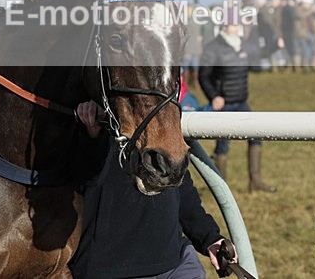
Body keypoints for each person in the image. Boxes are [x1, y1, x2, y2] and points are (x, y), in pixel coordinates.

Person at [70, 101, 237, 279]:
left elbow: (180, 187)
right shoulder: (81, 112)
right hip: (109, 267)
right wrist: (90, 135)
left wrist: (209, 237)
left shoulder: (164, 111)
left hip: (176, 262)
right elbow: (78, 180)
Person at [198, 8, 281, 192]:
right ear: (226, 25)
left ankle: (255, 182)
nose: (239, 27)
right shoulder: (213, 48)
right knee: (223, 145)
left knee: (256, 137)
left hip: (242, 102)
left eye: (239, 24)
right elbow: (203, 76)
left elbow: (259, 54)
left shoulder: (244, 45)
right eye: (236, 24)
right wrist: (214, 96)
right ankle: (220, 188)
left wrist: (275, 46)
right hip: (224, 105)